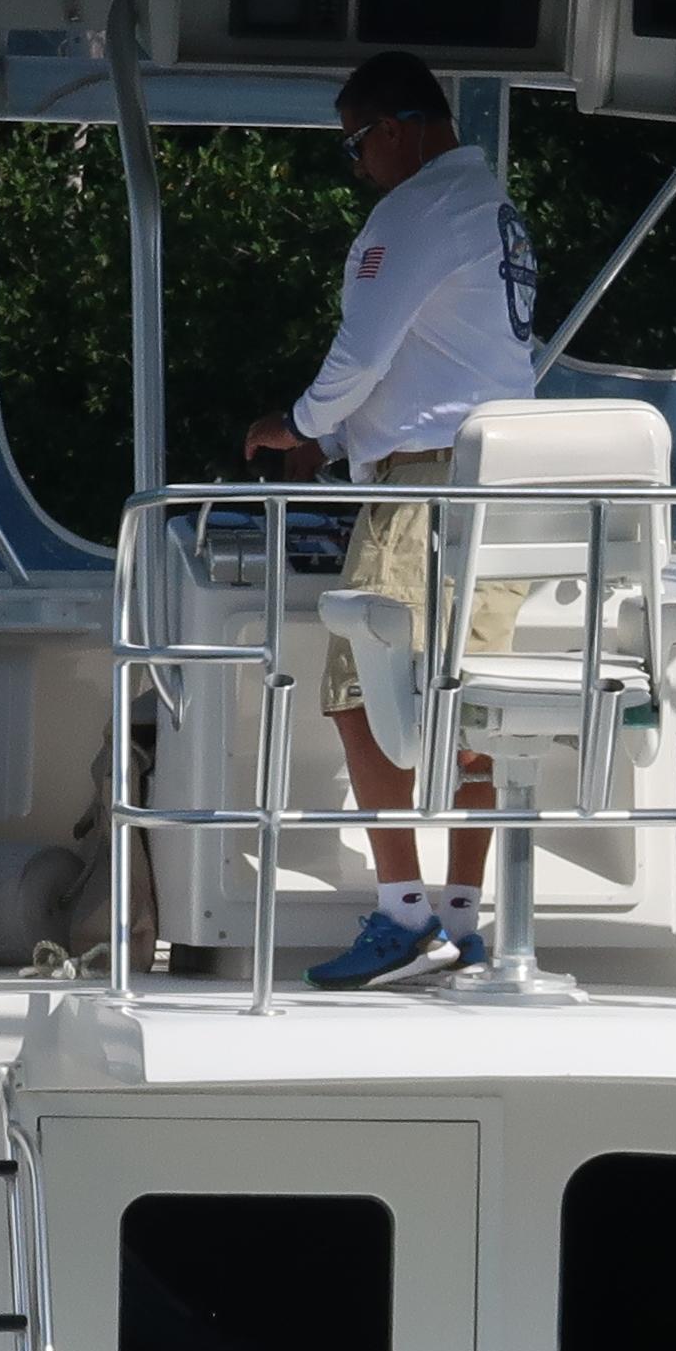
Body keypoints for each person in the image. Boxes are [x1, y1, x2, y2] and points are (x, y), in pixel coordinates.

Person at [241, 49, 540, 987]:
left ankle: (404, 917)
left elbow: (363, 353)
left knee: (360, 692)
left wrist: (298, 426)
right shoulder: (491, 210)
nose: (357, 164)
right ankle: (464, 922)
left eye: (356, 144)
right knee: (475, 703)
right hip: (506, 484)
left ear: (399, 129)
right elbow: (441, 365)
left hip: (425, 492)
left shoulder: (413, 212)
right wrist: (336, 444)